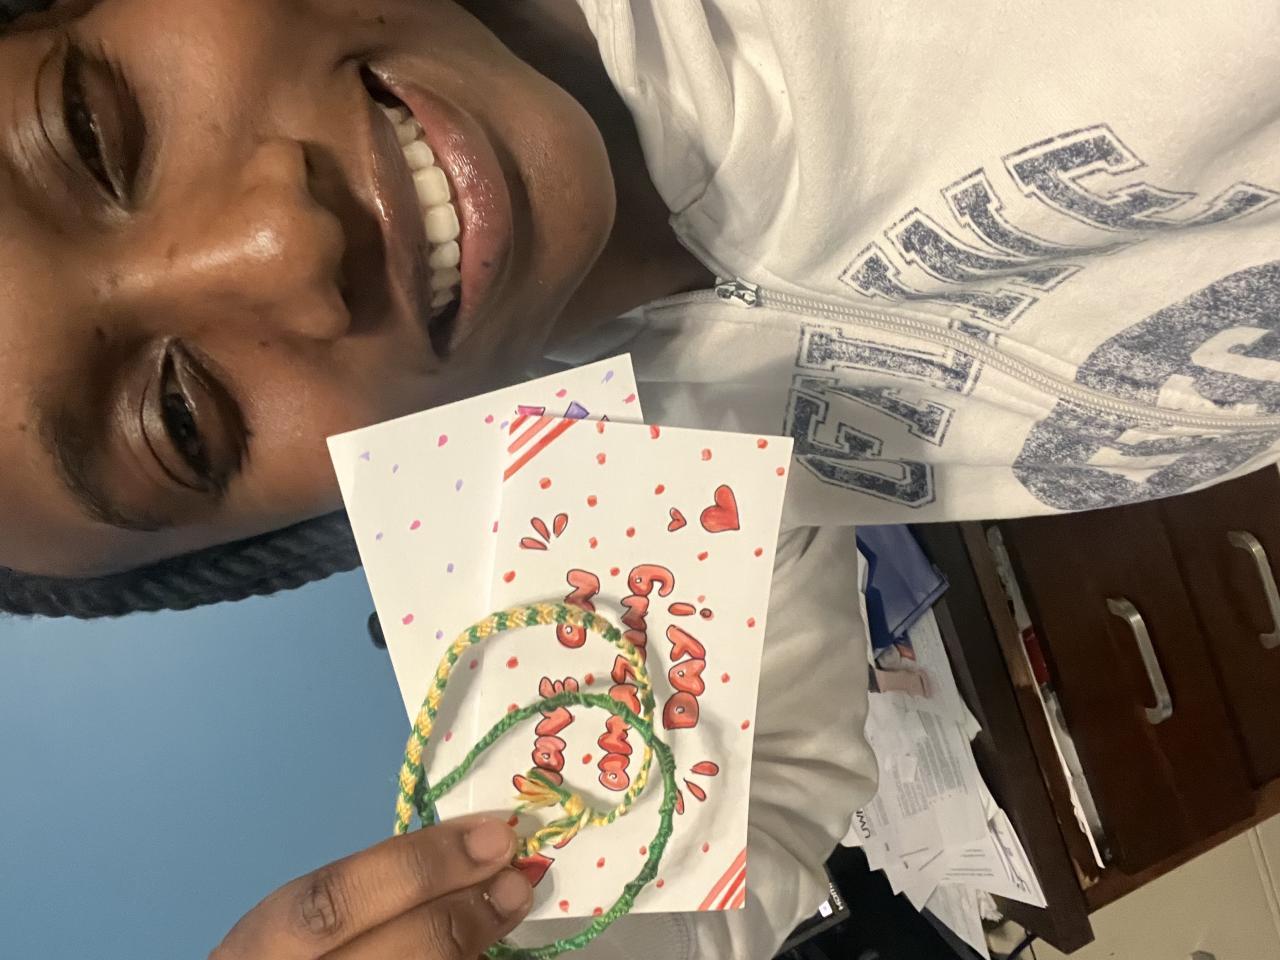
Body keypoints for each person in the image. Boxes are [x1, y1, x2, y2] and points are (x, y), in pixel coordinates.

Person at [1, 0, 1276, 957]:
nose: (282, 242)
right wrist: (504, 936)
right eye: (181, 420)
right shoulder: (589, 455)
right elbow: (719, 844)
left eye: (90, 129)